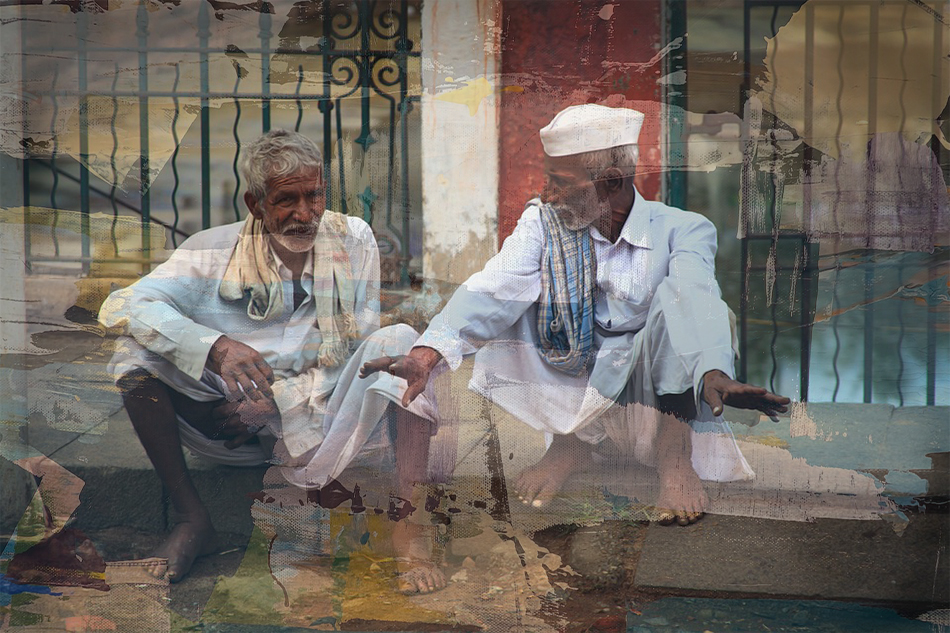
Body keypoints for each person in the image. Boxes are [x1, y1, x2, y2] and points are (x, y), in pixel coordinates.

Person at [362, 104, 790, 526]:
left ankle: (674, 459)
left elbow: (696, 295)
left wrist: (713, 371)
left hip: (653, 393)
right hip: (574, 376)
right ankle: (571, 447)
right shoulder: (543, 224)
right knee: (523, 299)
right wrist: (426, 354)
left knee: (674, 304)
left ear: (611, 182)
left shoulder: (683, 228)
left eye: (560, 182)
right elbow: (494, 287)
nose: (547, 193)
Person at [99, 129, 444, 593]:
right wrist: (215, 346)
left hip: (321, 420)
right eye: (287, 200)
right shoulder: (211, 250)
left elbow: (357, 344)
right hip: (226, 427)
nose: (305, 215)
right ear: (255, 203)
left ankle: (409, 529)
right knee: (134, 355)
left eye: (314, 196)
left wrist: (278, 401)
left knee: (400, 341)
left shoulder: (353, 239)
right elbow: (121, 306)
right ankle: (190, 519)